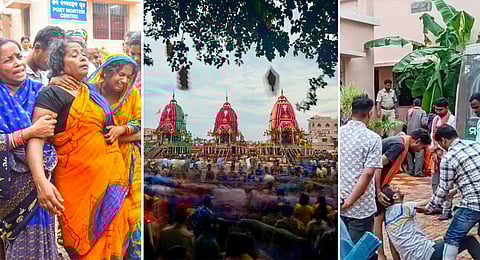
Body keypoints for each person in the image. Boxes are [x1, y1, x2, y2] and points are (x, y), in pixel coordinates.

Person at [26, 38, 136, 259]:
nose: (83, 58)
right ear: (59, 63)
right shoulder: (52, 94)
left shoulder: (91, 93)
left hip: (109, 182)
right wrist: (42, 183)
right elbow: (36, 140)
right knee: (82, 245)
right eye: (74, 55)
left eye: (83, 54)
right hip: (77, 184)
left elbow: (109, 129)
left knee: (114, 243)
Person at [0, 38, 58, 259]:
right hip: (7, 187)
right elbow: (37, 132)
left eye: (18, 56)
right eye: (8, 60)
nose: (18, 63)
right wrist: (29, 133)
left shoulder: (41, 92)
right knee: (11, 243)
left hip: (42, 183)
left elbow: (52, 133)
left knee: (43, 239)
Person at [88, 53, 141, 259]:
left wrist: (122, 130)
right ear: (106, 72)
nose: (124, 80)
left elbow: (140, 123)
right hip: (96, 162)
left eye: (129, 76)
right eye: (120, 74)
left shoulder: (132, 95)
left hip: (128, 165)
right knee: (102, 212)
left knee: (131, 213)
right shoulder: (88, 94)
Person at [424, 125, 480, 260]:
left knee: (452, 238)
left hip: (472, 205)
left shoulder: (448, 158)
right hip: (474, 197)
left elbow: (443, 187)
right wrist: (456, 191)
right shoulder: (475, 145)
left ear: (443, 140)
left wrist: (431, 206)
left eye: (439, 144)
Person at [374, 128, 432, 259]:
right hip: (377, 186)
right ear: (417, 141)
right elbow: (376, 164)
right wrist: (378, 190)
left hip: (382, 184)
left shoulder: (400, 141)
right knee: (378, 220)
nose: (420, 151)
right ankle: (381, 255)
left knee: (389, 221)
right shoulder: (399, 145)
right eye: (421, 148)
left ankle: (394, 257)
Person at [382, 185, 480, 260]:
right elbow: (435, 200)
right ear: (394, 196)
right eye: (395, 188)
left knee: (442, 241)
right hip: (425, 254)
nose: (398, 188)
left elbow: (393, 248)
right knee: (469, 240)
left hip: (412, 256)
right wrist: (459, 188)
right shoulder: (404, 208)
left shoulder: (387, 218)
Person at [340, 95, 382, 255]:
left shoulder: (340, 134)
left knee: (343, 252)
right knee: (361, 253)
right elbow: (368, 173)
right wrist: (350, 202)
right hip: (360, 208)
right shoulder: (373, 138)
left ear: (352, 111)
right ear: (369, 114)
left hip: (339, 204)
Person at [429, 97, 456, 220]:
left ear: (447, 108)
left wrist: (442, 150)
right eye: (436, 109)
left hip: (447, 154)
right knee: (435, 181)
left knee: (447, 183)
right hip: (435, 154)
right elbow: (432, 136)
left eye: (440, 109)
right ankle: (437, 205)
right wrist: (434, 150)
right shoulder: (435, 120)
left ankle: (447, 209)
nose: (438, 112)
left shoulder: (452, 119)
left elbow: (452, 138)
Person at [406, 98, 428, 176]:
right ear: (421, 104)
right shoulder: (422, 112)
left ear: (414, 104)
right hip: (418, 135)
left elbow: (406, 121)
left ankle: (410, 170)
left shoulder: (409, 111)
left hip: (409, 135)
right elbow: (424, 123)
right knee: (419, 153)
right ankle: (418, 172)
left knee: (409, 153)